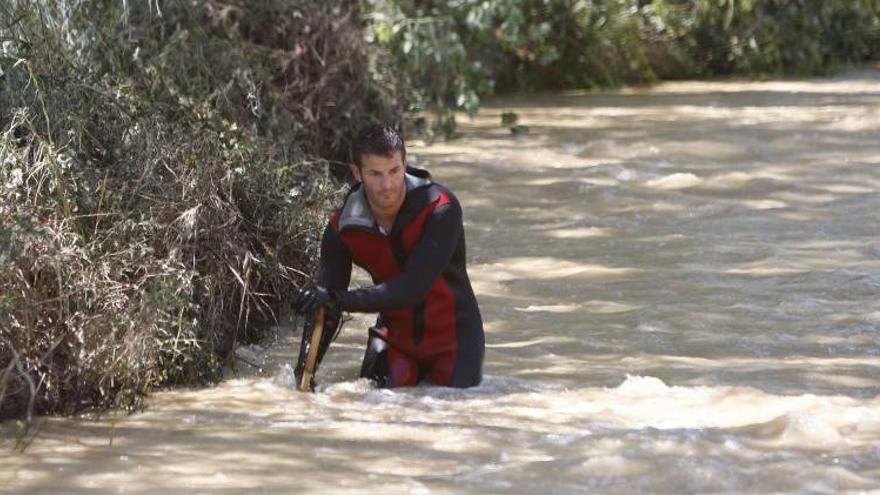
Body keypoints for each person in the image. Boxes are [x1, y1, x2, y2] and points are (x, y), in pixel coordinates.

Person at [292, 123, 485, 390]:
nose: (387, 185)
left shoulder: (441, 209)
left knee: (448, 416)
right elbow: (326, 309)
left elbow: (412, 287)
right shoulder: (342, 228)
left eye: (395, 171)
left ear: (405, 164)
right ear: (356, 173)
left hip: (455, 343)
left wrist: (337, 299)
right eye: (375, 173)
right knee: (374, 412)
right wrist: (303, 375)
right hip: (394, 339)